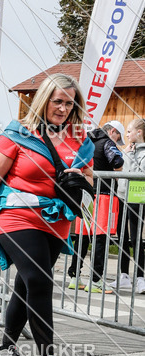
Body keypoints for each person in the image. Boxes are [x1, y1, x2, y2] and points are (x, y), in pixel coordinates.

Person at [0, 73, 94, 356]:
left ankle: (6, 349)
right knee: (39, 279)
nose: (63, 108)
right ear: (44, 100)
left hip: (57, 221)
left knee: (26, 285)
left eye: (70, 103)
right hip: (17, 216)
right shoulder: (17, 133)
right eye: (57, 101)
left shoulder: (80, 139)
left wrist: (78, 180)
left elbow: (89, 182)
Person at [66, 119, 123, 293]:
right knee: (100, 237)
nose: (117, 141)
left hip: (85, 194)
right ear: (112, 131)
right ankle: (96, 280)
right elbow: (117, 163)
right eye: (118, 137)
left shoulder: (86, 141)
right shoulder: (107, 143)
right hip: (104, 194)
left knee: (82, 236)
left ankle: (74, 277)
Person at [117, 117, 145, 294]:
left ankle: (140, 277)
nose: (126, 135)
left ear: (139, 132)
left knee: (135, 238)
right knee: (122, 237)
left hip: (136, 198)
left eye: (129, 131)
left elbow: (138, 173)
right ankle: (124, 275)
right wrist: (126, 153)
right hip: (122, 197)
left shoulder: (142, 153)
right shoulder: (130, 150)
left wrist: (128, 156)